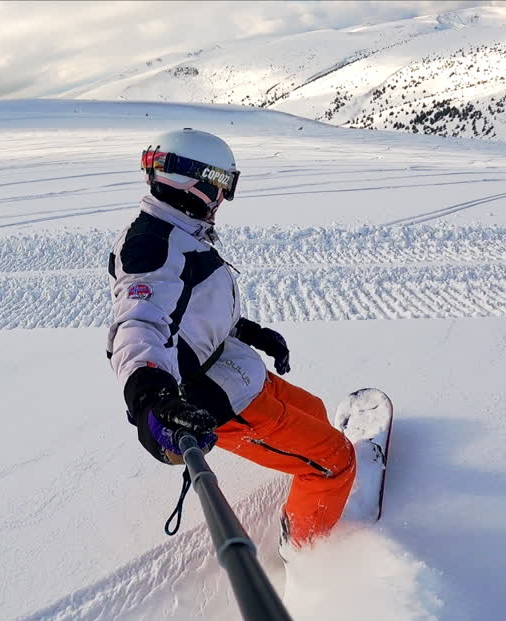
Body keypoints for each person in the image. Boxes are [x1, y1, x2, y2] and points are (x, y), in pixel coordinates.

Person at [106, 128, 357, 550]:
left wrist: (250, 331)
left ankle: (313, 479)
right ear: (194, 183)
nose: (223, 197)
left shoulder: (179, 231)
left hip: (234, 367)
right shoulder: (152, 247)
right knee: (336, 461)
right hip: (214, 397)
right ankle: (306, 553)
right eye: (222, 184)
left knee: (314, 410)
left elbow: (191, 310)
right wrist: (149, 398)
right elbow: (139, 325)